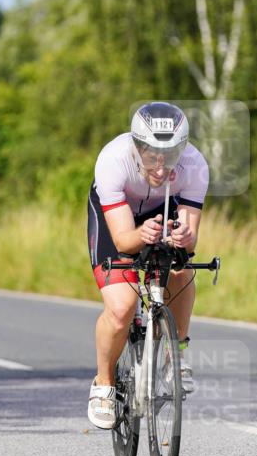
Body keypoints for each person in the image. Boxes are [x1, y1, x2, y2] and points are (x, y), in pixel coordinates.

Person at [86, 102, 209, 429]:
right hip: (118, 217)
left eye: (171, 155)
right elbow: (124, 241)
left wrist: (184, 237)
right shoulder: (114, 160)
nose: (161, 166)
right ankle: (103, 384)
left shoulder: (194, 165)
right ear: (137, 146)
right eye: (153, 155)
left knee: (182, 270)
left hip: (163, 208)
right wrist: (140, 234)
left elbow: (190, 239)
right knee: (122, 308)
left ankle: (175, 355)